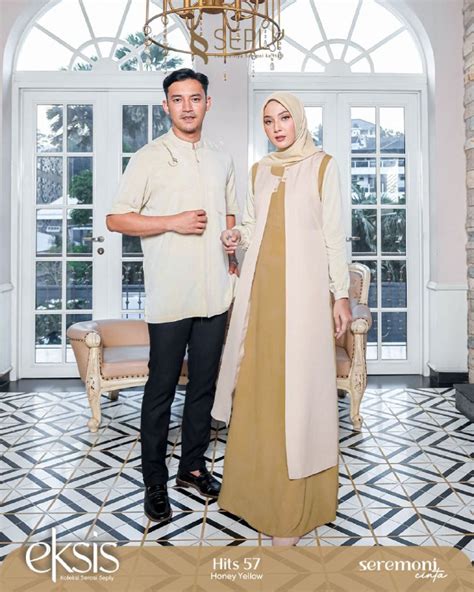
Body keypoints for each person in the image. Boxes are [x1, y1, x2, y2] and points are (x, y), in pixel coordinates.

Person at [211, 92, 352, 546]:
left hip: (305, 298)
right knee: (261, 392)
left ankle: (293, 508)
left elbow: (334, 237)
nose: (276, 128)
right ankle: (255, 497)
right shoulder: (260, 170)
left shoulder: (323, 167)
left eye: (284, 118)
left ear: (299, 120)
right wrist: (236, 234)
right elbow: (253, 226)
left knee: (300, 395)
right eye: (269, 121)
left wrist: (341, 296)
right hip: (261, 296)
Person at [106, 68, 239, 524]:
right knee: (161, 389)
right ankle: (155, 482)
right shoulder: (147, 158)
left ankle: (193, 468)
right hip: (170, 295)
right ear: (166, 106)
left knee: (203, 386)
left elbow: (230, 214)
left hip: (216, 293)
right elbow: (116, 219)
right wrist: (172, 222)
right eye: (177, 99)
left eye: (195, 98)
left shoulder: (222, 158)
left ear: (207, 103)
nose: (187, 106)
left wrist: (231, 244)